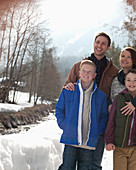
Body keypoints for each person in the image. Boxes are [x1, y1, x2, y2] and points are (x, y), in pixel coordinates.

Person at [63, 32, 118, 169]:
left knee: (92, 164)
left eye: (103, 43)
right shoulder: (78, 66)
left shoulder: (113, 71)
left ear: (108, 48)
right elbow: (67, 89)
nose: (99, 46)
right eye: (97, 42)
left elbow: (115, 95)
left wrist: (111, 106)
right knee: (69, 163)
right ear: (94, 44)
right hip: (77, 123)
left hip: (98, 123)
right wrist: (68, 86)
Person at [55, 60, 108, 170]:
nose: (86, 74)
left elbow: (104, 116)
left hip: (89, 143)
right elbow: (59, 109)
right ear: (79, 73)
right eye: (83, 71)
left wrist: (98, 129)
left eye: (90, 72)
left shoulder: (101, 96)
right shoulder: (68, 91)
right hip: (71, 140)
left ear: (94, 75)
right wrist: (64, 125)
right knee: (67, 167)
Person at [104, 69, 136, 170]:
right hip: (119, 147)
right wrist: (109, 141)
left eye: (135, 80)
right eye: (129, 80)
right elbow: (111, 121)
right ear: (124, 81)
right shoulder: (119, 98)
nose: (132, 83)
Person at [109, 47, 136, 114]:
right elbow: (112, 98)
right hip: (120, 120)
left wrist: (134, 102)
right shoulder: (116, 80)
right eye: (123, 56)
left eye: (128, 57)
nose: (125, 59)